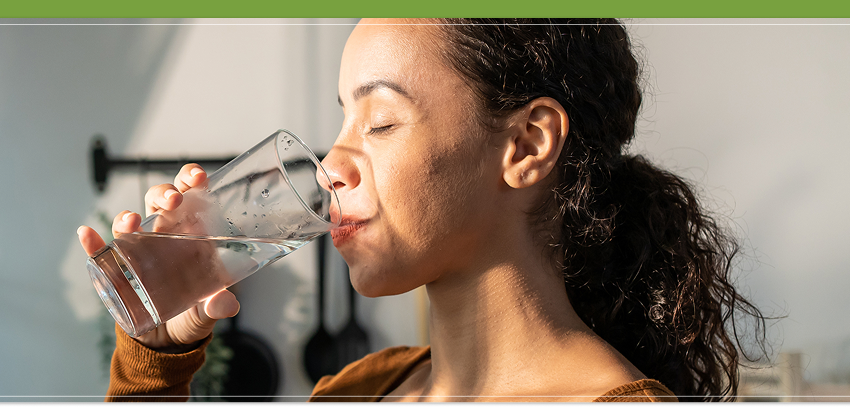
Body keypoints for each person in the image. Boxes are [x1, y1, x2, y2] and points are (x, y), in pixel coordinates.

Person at [76, 18, 769, 403]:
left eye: (379, 121)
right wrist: (155, 363)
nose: (330, 163)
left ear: (526, 144)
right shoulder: (359, 389)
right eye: (342, 119)